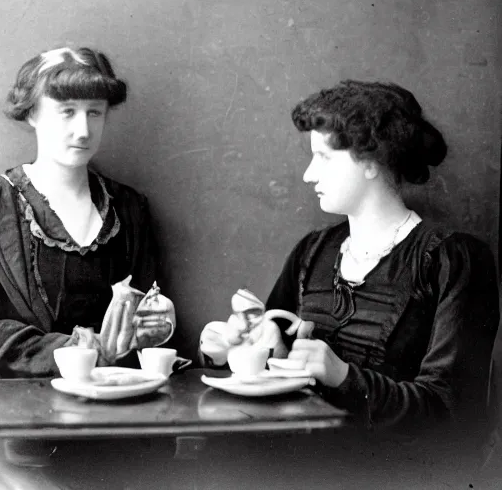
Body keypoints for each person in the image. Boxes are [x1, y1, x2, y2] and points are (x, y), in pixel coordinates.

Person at [200, 80, 499, 453]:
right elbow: (275, 370)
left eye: (323, 157)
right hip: (299, 462)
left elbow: (455, 413)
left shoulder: (452, 259)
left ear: (371, 161)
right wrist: (253, 347)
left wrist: (343, 375)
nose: (309, 174)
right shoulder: (313, 252)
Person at [0, 46, 165, 377]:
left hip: (115, 399)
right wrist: (75, 350)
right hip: (20, 405)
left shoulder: (128, 208)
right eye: (67, 111)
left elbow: (150, 320)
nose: (83, 130)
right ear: (32, 114)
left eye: (95, 112)